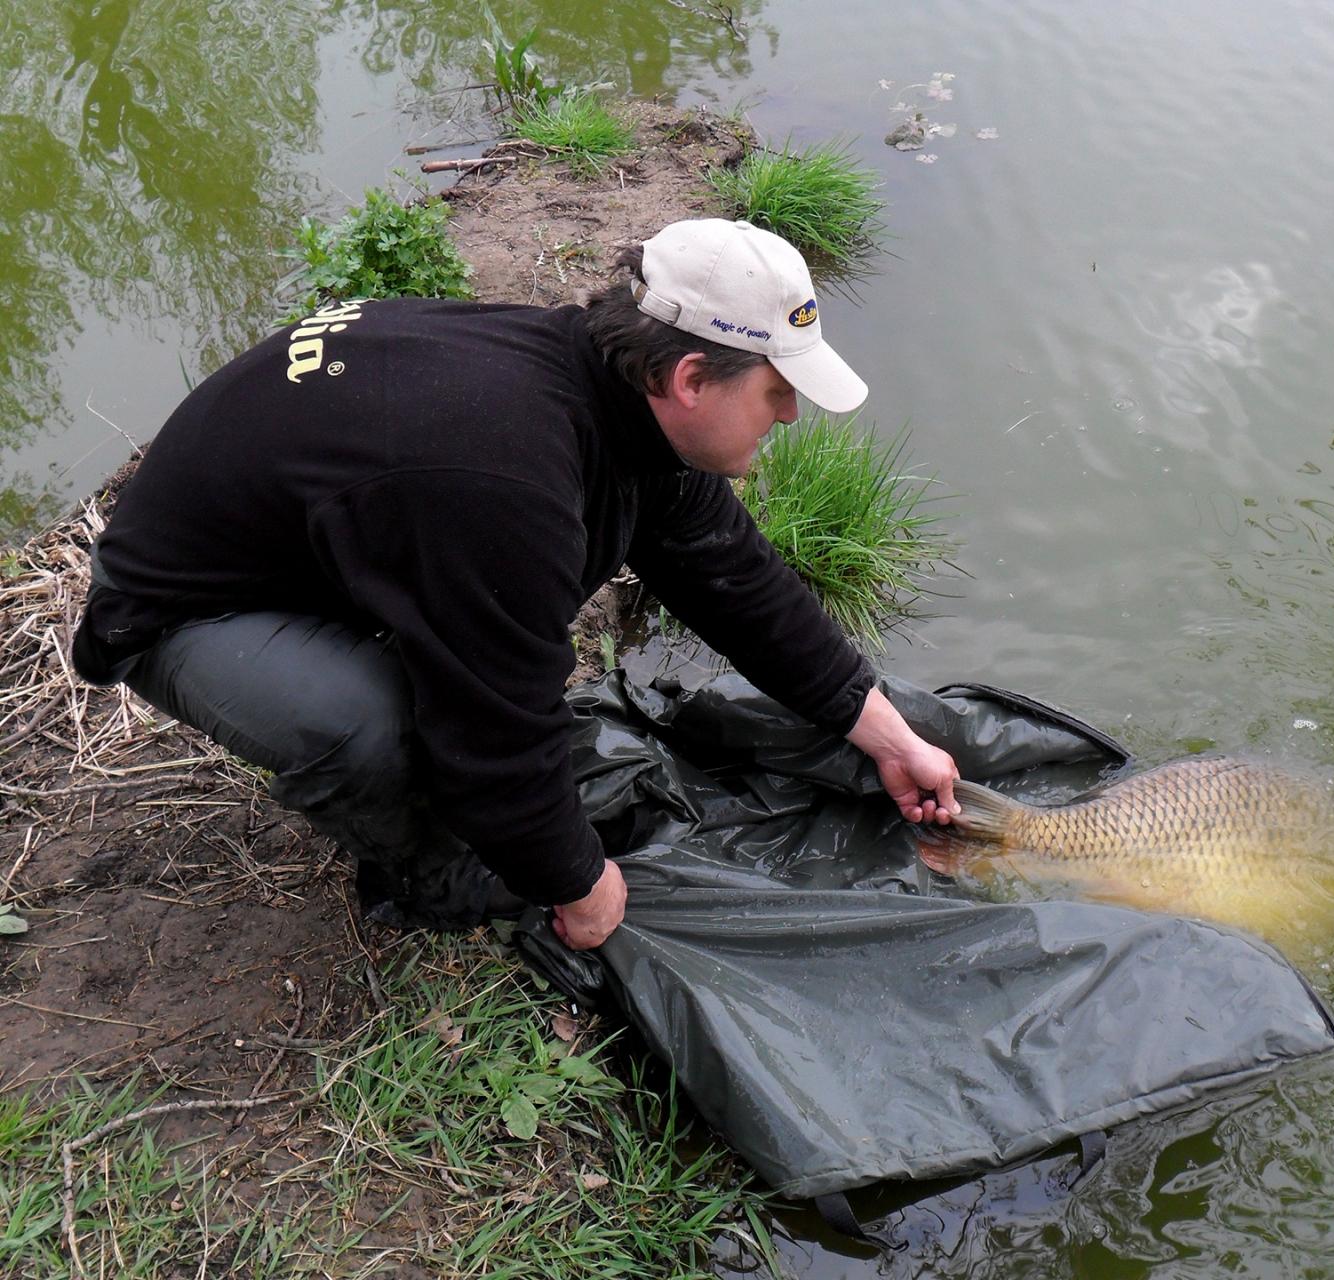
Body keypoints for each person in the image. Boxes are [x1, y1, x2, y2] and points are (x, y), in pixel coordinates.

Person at [73, 217, 960, 948]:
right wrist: (578, 884)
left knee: (472, 669)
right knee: (371, 730)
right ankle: (428, 876)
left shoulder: (610, 390)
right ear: (691, 379)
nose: (792, 413)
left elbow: (735, 580)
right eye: (777, 390)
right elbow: (494, 733)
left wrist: (886, 737)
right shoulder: (507, 478)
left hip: (318, 542)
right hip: (186, 610)